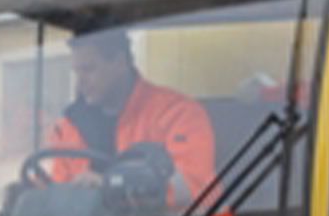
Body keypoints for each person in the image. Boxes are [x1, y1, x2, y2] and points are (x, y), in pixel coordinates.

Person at [47, 28, 217, 206]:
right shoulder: (69, 127)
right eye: (77, 72)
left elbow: (194, 185)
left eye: (88, 70)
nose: (80, 83)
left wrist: (113, 185)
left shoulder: (178, 113)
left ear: (120, 62)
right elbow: (56, 196)